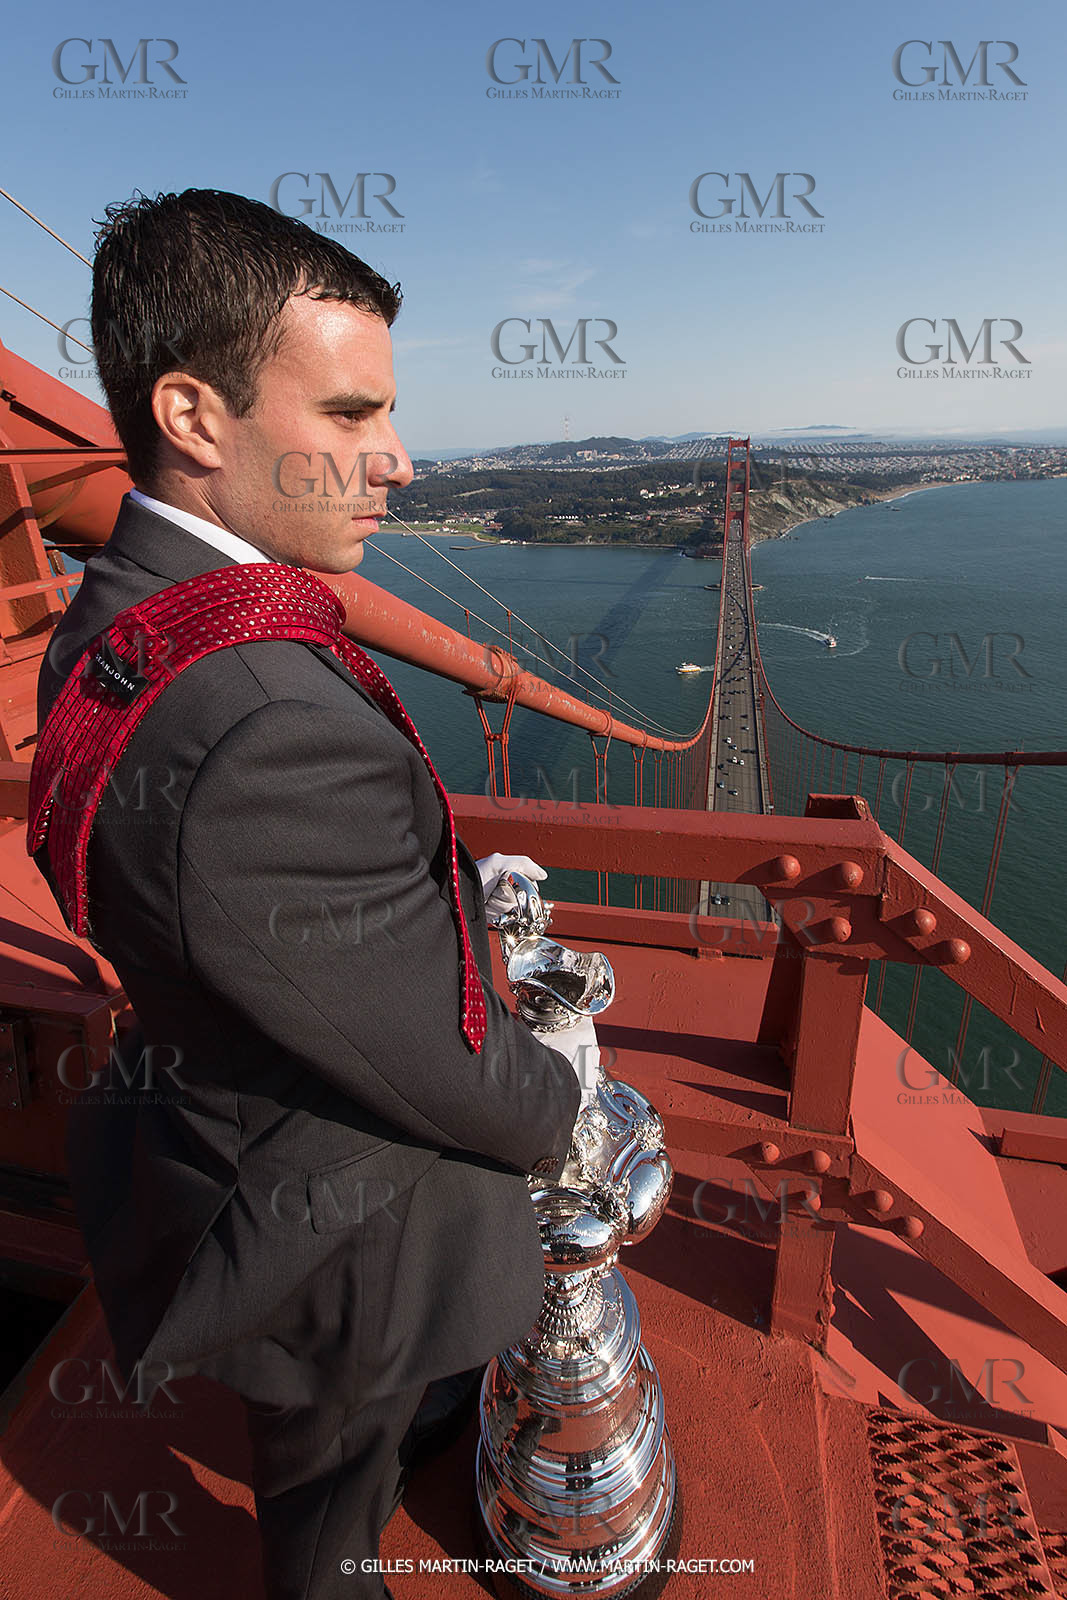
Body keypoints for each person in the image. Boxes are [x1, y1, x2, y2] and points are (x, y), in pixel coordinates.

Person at [30, 189, 596, 1599]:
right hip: (337, 1238)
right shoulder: (262, 706)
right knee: (328, 1500)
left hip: (213, 1114)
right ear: (194, 414)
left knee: (344, 1435)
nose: (396, 460)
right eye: (348, 417)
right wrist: (567, 1093)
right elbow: (463, 1077)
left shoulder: (117, 620)